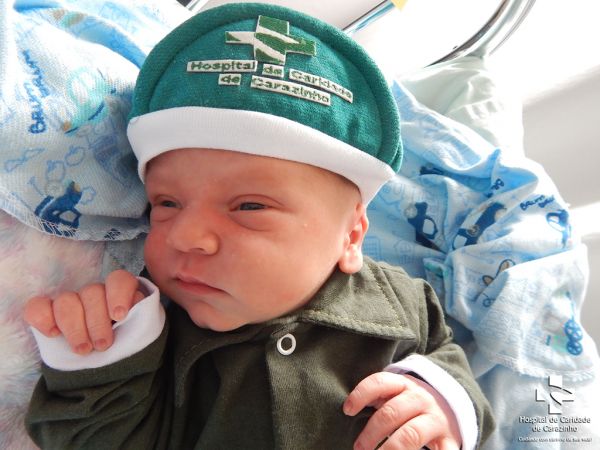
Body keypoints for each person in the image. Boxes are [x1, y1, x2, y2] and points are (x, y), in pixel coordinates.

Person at [23, 3, 494, 449]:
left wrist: (443, 401)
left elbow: (447, 358)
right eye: (166, 203)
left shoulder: (400, 301)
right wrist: (102, 361)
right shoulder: (157, 339)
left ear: (351, 237)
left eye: (249, 206)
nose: (186, 236)